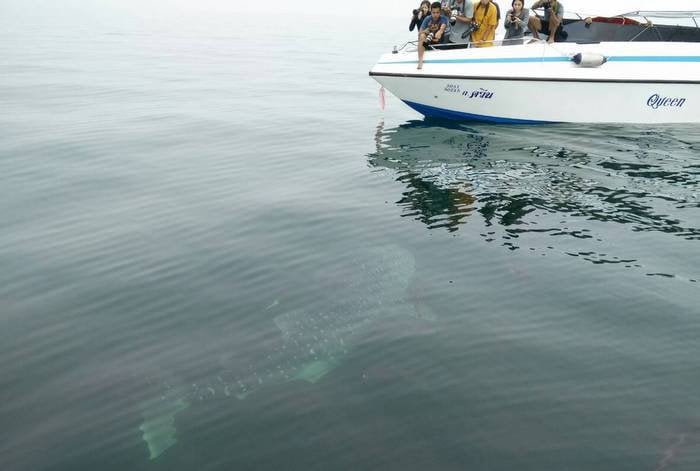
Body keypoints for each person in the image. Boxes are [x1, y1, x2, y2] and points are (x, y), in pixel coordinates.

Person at [417, 2, 449, 69]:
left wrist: (440, 31)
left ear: (440, 12)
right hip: (428, 43)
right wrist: (425, 31)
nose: (435, 14)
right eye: (433, 12)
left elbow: (443, 27)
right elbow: (419, 33)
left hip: (439, 43)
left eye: (437, 12)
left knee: (438, 34)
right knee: (422, 35)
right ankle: (420, 61)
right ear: (431, 12)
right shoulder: (427, 19)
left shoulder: (443, 18)